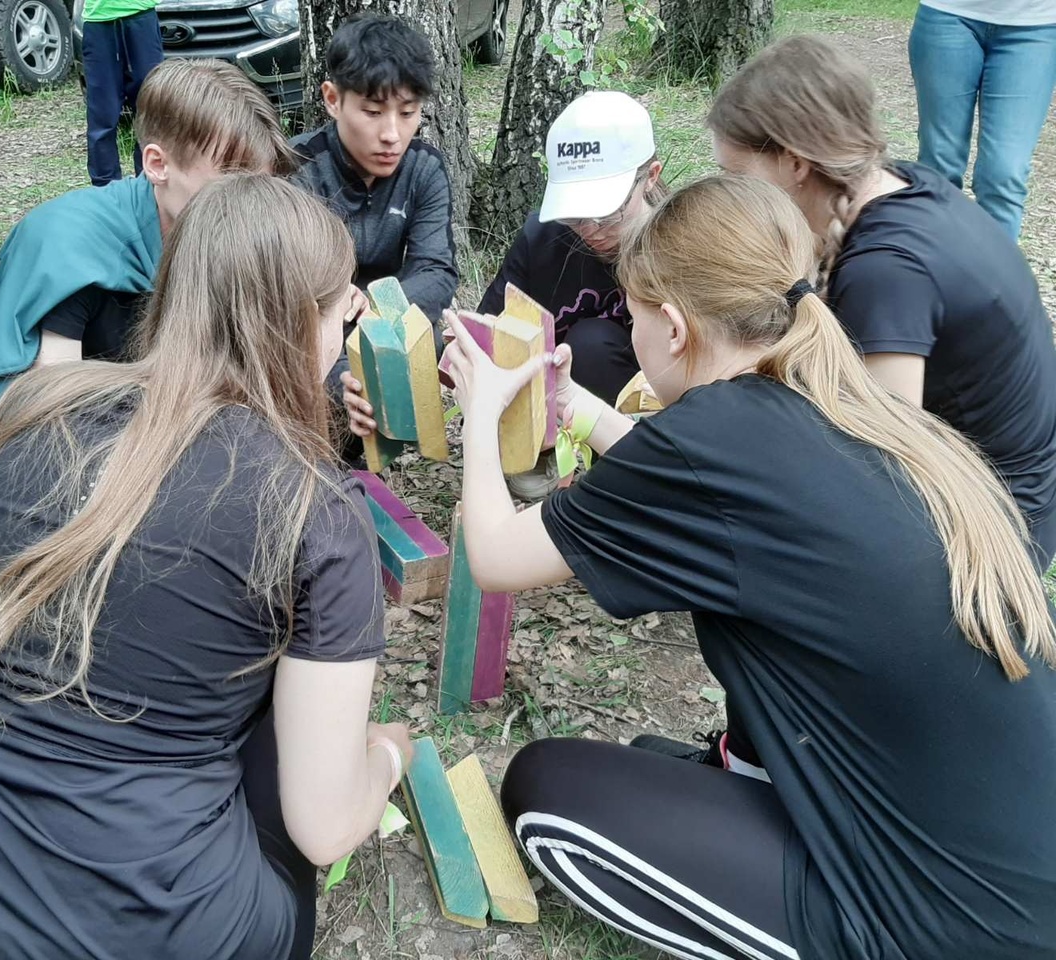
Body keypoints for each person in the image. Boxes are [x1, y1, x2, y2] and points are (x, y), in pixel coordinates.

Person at [442, 174, 1056, 960]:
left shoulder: (711, 439)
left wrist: (483, 413)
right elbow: (717, 499)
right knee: (645, 772)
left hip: (942, 917)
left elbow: (493, 555)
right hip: (1006, 851)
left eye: (631, 320)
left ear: (671, 326)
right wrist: (586, 412)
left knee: (545, 798)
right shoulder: (843, 399)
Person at [0, 174, 412, 960]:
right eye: (339, 311)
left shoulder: (30, 416)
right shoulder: (312, 507)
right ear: (309, 327)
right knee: (293, 743)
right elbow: (324, 831)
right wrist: (389, 753)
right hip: (169, 935)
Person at [708, 34, 1056, 566]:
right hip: (1015, 490)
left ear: (795, 162)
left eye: (737, 177)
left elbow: (882, 466)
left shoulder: (885, 271)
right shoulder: (907, 185)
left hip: (997, 535)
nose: (733, 196)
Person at [0, 58, 295, 469]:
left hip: (138, 418)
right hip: (34, 435)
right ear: (157, 165)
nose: (248, 208)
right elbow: (53, 414)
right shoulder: (72, 245)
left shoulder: (219, 228)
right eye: (230, 183)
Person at [475, 90, 666, 499]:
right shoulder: (544, 238)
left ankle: (623, 468)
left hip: (652, 412)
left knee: (592, 342)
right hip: (555, 399)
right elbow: (492, 327)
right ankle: (538, 448)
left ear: (650, 177)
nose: (591, 229)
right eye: (575, 213)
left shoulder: (682, 244)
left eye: (607, 212)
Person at [292, 14, 458, 457]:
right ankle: (333, 449)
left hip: (391, 323)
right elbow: (284, 283)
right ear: (332, 99)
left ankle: (379, 443)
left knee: (438, 342)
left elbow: (436, 270)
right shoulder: (298, 169)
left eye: (407, 114)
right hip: (316, 331)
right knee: (334, 376)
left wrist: (383, 308)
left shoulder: (424, 169)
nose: (392, 135)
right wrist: (336, 302)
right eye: (371, 111)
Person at [908, 0, 1056, 241]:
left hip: (1037, 24)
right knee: (939, 164)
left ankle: (997, 276)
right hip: (948, 13)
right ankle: (931, 270)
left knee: (1004, 173)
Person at [80, 0, 164, 186]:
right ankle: (105, 192)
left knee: (150, 111)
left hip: (141, 17)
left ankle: (150, 185)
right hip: (99, 23)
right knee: (102, 118)